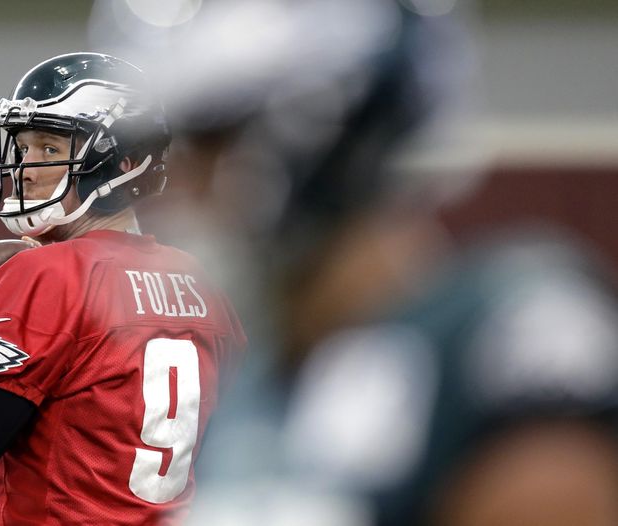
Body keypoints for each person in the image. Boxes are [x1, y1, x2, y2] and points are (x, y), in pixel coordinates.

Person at [132, 1, 618, 524]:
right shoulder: (221, 379)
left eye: (206, 140)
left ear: (322, 132)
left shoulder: (502, 330)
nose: (171, 184)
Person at [0, 52, 246, 525]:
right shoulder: (201, 281)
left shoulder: (50, 274)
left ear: (122, 164)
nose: (26, 169)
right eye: (23, 149)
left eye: (50, 149)